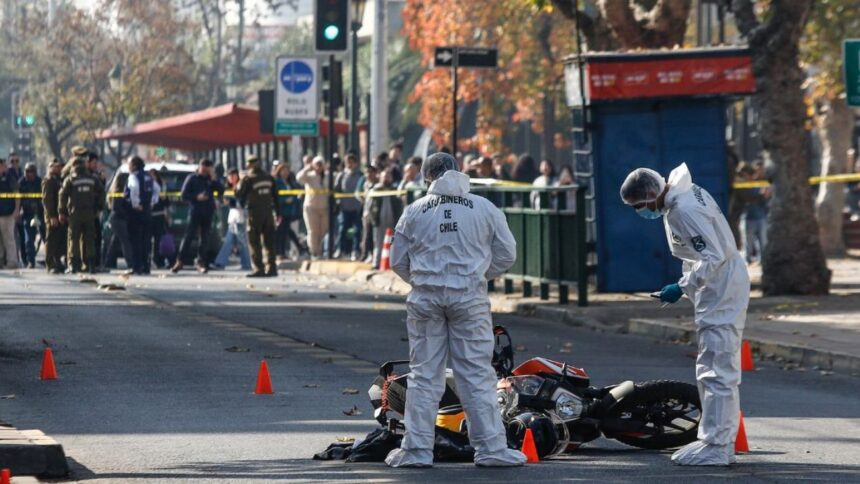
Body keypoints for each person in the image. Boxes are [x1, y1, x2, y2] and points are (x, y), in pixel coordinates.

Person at [386, 152, 524, 468]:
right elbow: (507, 254)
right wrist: (475, 276)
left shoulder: (414, 211)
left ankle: (417, 451)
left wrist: (424, 280)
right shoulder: (484, 208)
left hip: (425, 300)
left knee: (424, 375)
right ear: (458, 171)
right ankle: (491, 450)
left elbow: (397, 261)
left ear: (427, 177)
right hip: (469, 299)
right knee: (475, 373)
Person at [619, 163, 749, 466]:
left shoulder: (683, 209)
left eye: (639, 206)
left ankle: (717, 446)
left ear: (651, 196)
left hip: (721, 287)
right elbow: (700, 251)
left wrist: (681, 286)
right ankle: (717, 441)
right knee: (714, 368)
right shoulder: (683, 195)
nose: (641, 212)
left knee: (716, 370)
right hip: (720, 285)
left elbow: (713, 256)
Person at [173, 159, 222, 274]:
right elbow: (184, 195)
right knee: (188, 237)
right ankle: (179, 261)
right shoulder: (192, 178)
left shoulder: (211, 180)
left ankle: (201, 263)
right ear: (199, 167)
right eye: (203, 167)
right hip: (195, 211)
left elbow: (221, 190)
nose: (205, 170)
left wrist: (214, 178)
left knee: (204, 239)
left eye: (207, 168)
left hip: (208, 212)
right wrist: (196, 197)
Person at [59, 156, 104, 274]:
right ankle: (91, 266)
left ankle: (74, 266)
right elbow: (102, 192)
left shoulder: (70, 179)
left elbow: (62, 196)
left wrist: (62, 212)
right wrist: (98, 207)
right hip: (90, 213)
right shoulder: (92, 178)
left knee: (73, 239)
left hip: (75, 213)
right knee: (89, 239)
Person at [237, 156, 278, 277]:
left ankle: (259, 268)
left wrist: (239, 180)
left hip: (254, 214)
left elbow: (239, 193)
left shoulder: (248, 178)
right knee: (269, 241)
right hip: (268, 214)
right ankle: (272, 268)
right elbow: (275, 196)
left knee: (254, 241)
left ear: (250, 164)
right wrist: (278, 213)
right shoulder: (269, 178)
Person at [125, 156, 159, 275]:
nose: (128, 166)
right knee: (146, 240)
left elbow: (133, 189)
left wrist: (136, 204)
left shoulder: (133, 176)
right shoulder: (148, 176)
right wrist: (152, 202)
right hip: (147, 212)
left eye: (129, 164)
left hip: (136, 212)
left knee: (135, 240)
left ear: (134, 165)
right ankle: (146, 266)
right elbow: (157, 189)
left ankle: (137, 267)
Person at [213, 168, 251, 271]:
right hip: (233, 217)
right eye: (229, 176)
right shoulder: (228, 188)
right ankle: (221, 262)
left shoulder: (241, 186)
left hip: (240, 217)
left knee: (240, 242)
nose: (231, 178)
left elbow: (241, 202)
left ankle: (246, 263)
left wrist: (230, 202)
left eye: (233, 176)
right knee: (229, 241)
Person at [296, 155, 329, 259]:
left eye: (320, 164)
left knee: (322, 231)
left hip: (324, 208)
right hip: (311, 208)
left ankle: (321, 250)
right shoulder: (310, 176)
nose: (319, 167)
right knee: (313, 231)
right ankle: (314, 252)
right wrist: (307, 168)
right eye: (317, 165)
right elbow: (299, 178)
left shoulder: (327, 176)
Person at [370, 167, 404, 269]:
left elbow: (400, 205)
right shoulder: (376, 190)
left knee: (393, 243)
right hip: (379, 221)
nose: (386, 178)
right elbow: (370, 206)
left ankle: (392, 264)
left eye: (388, 177)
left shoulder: (394, 190)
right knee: (378, 242)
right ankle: (376, 263)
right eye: (385, 176)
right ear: (380, 178)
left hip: (393, 220)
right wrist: (372, 218)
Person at [102, 171, 135, 272]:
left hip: (119, 218)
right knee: (125, 241)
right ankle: (130, 262)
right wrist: (127, 213)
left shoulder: (123, 190)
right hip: (118, 219)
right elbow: (116, 207)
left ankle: (108, 261)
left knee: (115, 241)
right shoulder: (118, 191)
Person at [273, 162, 306, 260]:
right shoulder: (277, 182)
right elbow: (275, 196)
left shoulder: (290, 182)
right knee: (282, 232)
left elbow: (296, 193)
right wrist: (284, 200)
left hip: (289, 211)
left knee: (285, 231)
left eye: (287, 170)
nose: (285, 172)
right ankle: (281, 252)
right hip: (280, 210)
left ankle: (283, 252)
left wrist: (295, 199)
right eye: (283, 170)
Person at [334, 153, 363, 259]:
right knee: (342, 230)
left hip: (356, 208)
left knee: (356, 230)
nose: (349, 165)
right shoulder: (341, 175)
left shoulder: (360, 175)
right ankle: (340, 249)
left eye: (352, 162)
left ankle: (355, 251)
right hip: (344, 208)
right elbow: (336, 189)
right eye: (347, 162)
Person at [42, 159, 66, 274]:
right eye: (55, 166)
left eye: (60, 166)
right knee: (51, 240)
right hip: (52, 215)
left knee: (59, 239)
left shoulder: (59, 180)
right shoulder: (49, 180)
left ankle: (57, 261)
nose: (58, 168)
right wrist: (52, 216)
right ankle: (50, 264)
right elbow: (47, 200)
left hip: (59, 214)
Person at [18, 163, 43, 268]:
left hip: (40, 213)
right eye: (27, 171)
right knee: (28, 240)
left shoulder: (40, 182)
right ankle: (30, 261)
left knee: (46, 237)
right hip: (27, 214)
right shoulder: (21, 182)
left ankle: (52, 260)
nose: (29, 174)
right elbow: (18, 199)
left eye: (31, 171)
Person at [149, 169, 173, 269]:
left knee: (159, 240)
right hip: (149, 215)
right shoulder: (146, 186)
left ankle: (159, 260)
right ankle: (150, 259)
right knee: (147, 239)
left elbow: (166, 203)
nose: (152, 178)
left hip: (159, 215)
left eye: (154, 175)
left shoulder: (161, 187)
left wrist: (168, 215)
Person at [87, 151, 106, 269]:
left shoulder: (96, 176)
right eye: (93, 163)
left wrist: (103, 180)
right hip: (84, 211)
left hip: (94, 212)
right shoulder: (85, 175)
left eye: (96, 163)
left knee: (98, 237)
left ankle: (97, 263)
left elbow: (101, 193)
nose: (95, 165)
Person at [0, 157, 21, 269]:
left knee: (9, 238)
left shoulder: (9, 177)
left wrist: (17, 209)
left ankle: (12, 262)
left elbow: (17, 194)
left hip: (8, 213)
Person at [358, 164, 379, 264]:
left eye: (370, 172)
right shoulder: (365, 184)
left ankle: (372, 254)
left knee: (373, 236)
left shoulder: (377, 185)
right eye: (366, 172)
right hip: (366, 213)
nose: (368, 175)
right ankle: (366, 254)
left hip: (375, 214)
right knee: (366, 235)